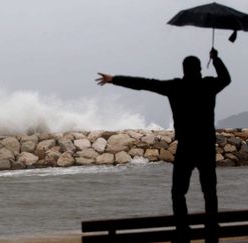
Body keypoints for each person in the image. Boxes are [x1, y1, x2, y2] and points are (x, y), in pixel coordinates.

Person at [96, 48, 231, 243]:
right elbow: (226, 79)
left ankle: (183, 231)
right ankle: (212, 233)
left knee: (178, 193)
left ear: (183, 69)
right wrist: (216, 59)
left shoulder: (175, 87)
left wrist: (113, 79)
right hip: (205, 146)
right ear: (200, 69)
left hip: (186, 146)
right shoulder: (209, 85)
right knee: (209, 191)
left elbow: (144, 84)